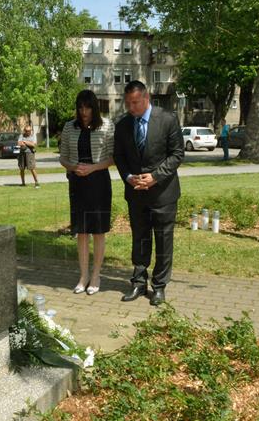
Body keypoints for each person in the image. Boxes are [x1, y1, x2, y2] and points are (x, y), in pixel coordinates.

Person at [113, 80, 185, 306]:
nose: (131, 107)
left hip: (163, 193)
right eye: (128, 103)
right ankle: (138, 282)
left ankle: (160, 286)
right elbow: (119, 157)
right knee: (140, 239)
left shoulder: (167, 119)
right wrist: (128, 177)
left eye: (135, 102)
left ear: (147, 98)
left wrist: (155, 176)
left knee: (163, 240)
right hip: (136, 193)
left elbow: (177, 154)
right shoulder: (123, 124)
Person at [58, 90, 114, 295]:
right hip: (77, 182)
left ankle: (96, 275)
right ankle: (83, 276)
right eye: (80, 107)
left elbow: (112, 157)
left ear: (95, 107)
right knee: (81, 231)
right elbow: (63, 157)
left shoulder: (107, 126)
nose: (84, 112)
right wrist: (73, 168)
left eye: (87, 107)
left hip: (99, 181)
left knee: (98, 230)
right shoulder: (68, 127)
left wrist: (93, 167)